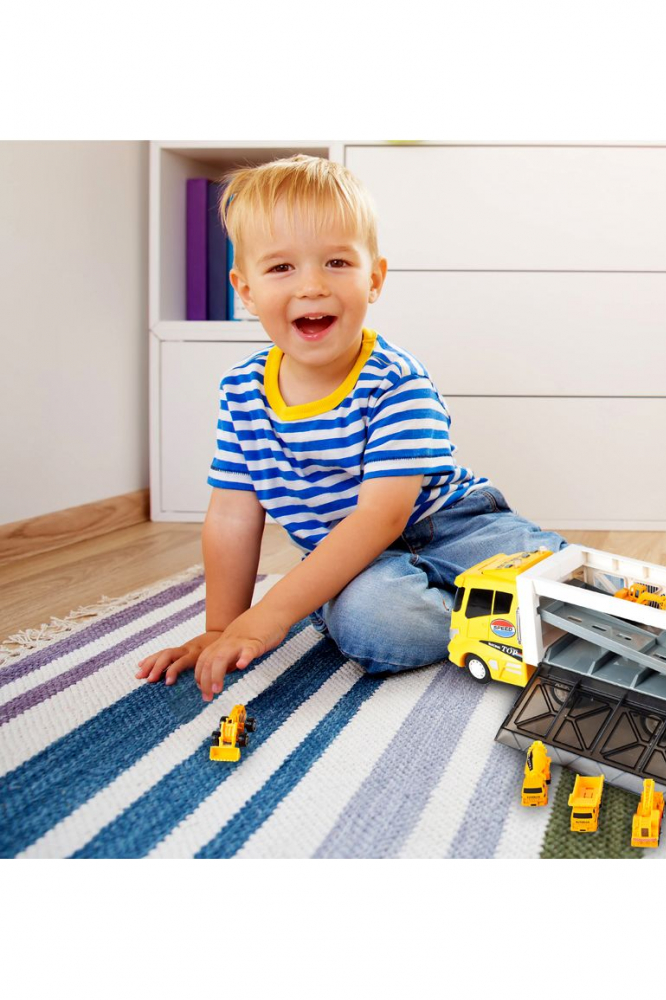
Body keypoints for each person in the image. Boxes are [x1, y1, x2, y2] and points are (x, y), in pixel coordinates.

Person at [135, 155, 565, 701]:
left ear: (374, 279)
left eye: (337, 262)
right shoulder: (242, 392)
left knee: (566, 589)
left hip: (453, 525)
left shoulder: (395, 380)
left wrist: (271, 615)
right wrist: (224, 627)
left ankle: (532, 603)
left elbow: (381, 517)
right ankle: (489, 618)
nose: (312, 286)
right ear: (245, 291)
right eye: (281, 268)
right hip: (355, 561)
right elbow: (231, 517)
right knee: (373, 624)